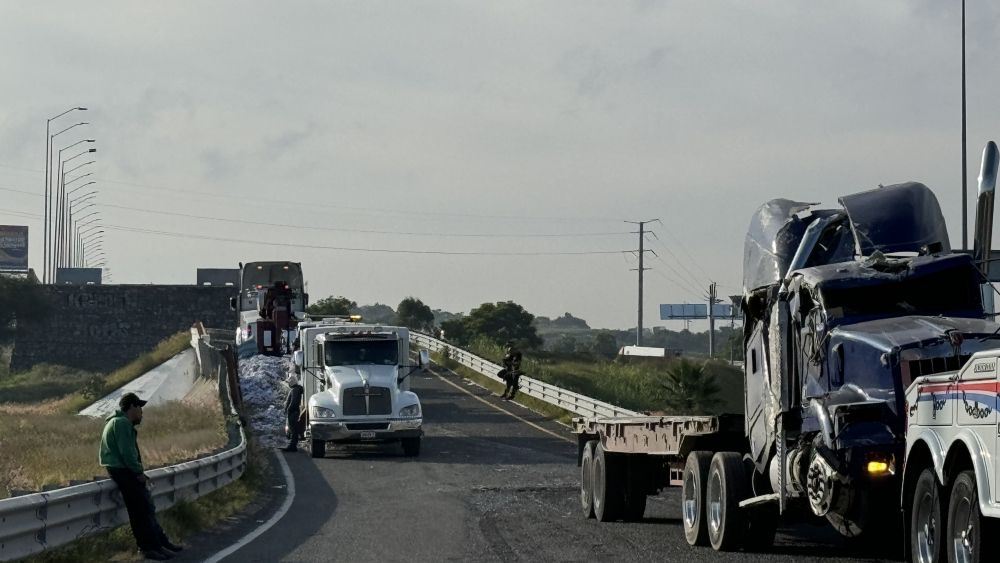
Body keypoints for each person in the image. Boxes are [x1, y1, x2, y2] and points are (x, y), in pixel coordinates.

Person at [99, 392, 183, 561]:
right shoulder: (122, 423)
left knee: (145, 508)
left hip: (122, 470)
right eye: (140, 408)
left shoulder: (117, 422)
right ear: (131, 407)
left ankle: (160, 543)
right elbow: (127, 453)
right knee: (141, 510)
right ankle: (148, 547)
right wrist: (138, 472)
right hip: (123, 471)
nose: (142, 413)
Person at [282, 374, 304, 452]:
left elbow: (293, 402)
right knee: (294, 429)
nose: (288, 384)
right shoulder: (296, 389)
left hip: (293, 412)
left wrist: (289, 409)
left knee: (293, 430)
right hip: (294, 412)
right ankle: (292, 445)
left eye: (289, 382)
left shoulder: (294, 390)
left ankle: (292, 446)